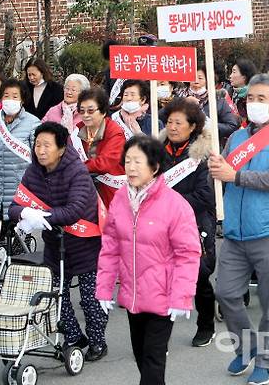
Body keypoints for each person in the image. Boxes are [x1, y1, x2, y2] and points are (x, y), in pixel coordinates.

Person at [210, 74, 269, 385]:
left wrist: (233, 175)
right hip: (236, 234)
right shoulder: (236, 138)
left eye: (261, 99)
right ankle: (247, 345)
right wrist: (213, 164)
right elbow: (221, 172)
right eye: (250, 98)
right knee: (225, 293)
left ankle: (267, 361)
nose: (254, 104)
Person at [96, 135, 201, 385]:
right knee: (142, 358)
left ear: (154, 167)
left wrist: (182, 297)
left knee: (153, 362)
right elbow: (110, 247)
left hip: (163, 297)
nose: (131, 167)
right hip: (133, 296)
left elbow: (188, 254)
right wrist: (103, 288)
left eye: (138, 162)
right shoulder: (121, 199)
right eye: (128, 161)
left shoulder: (175, 205)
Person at [9, 122, 109, 361]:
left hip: (86, 245)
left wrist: (41, 217)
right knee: (53, 297)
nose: (40, 150)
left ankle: (97, 342)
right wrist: (24, 214)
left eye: (46, 145)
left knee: (90, 300)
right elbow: (14, 206)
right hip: (55, 246)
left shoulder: (77, 172)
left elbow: (74, 210)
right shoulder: (34, 171)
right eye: (37, 145)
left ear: (62, 148)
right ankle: (75, 338)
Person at [160, 98, 217, 348]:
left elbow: (206, 195)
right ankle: (159, 333)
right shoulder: (158, 150)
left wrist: (171, 203)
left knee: (199, 276)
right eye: (170, 122)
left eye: (178, 123)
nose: (173, 127)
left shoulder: (202, 154)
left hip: (195, 222)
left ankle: (206, 324)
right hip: (161, 225)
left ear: (192, 126)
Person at [0, 78, 41, 220]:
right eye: (6, 96)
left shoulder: (33, 123)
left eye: (15, 96)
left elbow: (38, 162)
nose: (10, 99)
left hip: (19, 193)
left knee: (16, 238)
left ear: (22, 100)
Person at [75, 88, 126, 209]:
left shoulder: (114, 132)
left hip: (109, 190)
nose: (85, 115)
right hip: (84, 188)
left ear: (103, 112)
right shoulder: (77, 131)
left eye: (91, 111)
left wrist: (76, 167)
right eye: (82, 111)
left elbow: (105, 163)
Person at [177, 66, 239, 144]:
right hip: (181, 145)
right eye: (193, 77)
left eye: (200, 78)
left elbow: (232, 126)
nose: (196, 81)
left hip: (209, 146)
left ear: (207, 80)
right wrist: (183, 102)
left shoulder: (218, 100)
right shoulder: (179, 97)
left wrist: (211, 125)